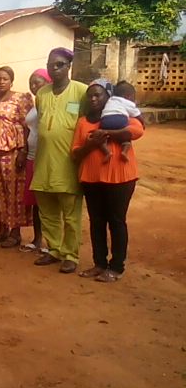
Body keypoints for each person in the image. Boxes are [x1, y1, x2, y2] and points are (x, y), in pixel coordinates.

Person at [71, 80, 144, 283]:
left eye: (98, 95)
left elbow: (137, 131)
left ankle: (117, 267)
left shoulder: (122, 114)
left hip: (121, 177)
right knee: (96, 222)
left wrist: (107, 133)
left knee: (116, 221)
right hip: (92, 178)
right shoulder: (83, 122)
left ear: (108, 97)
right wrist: (92, 143)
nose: (93, 99)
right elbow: (75, 153)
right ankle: (99, 264)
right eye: (90, 96)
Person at [31, 47, 88, 274]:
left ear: (68, 66)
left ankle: (70, 255)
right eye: (50, 65)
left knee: (71, 215)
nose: (54, 69)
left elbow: (89, 121)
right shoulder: (42, 94)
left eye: (59, 65)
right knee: (47, 212)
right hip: (43, 162)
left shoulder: (81, 91)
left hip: (68, 163)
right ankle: (53, 249)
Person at [0, 66, 34, 248]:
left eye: (5, 79)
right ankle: (2, 229)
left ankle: (15, 232)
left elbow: (28, 126)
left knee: (13, 191)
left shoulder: (21, 98)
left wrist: (23, 151)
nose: (1, 82)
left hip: (12, 151)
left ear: (11, 81)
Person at [20, 68, 51, 253]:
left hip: (46, 157)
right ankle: (37, 239)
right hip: (32, 157)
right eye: (31, 83)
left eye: (37, 82)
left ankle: (52, 243)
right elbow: (29, 129)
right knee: (36, 201)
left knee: (48, 202)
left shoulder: (51, 102)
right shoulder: (34, 104)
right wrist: (25, 150)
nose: (33, 86)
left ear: (47, 83)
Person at [98, 80, 143, 162]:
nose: (134, 100)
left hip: (105, 121)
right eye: (133, 97)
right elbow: (137, 114)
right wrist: (142, 123)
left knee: (102, 139)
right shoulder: (127, 102)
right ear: (128, 96)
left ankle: (107, 152)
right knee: (125, 138)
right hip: (120, 120)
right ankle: (124, 151)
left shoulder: (110, 100)